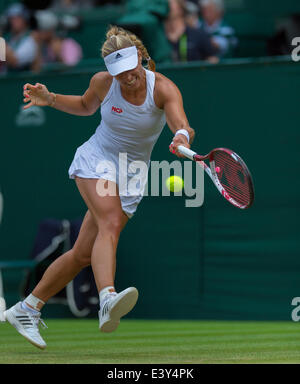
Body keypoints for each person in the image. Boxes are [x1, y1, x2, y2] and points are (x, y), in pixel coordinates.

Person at [2, 25, 195, 349]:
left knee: (80, 254)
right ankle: (107, 298)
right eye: (118, 72)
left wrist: (181, 137)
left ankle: (27, 308)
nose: (126, 77)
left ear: (140, 59)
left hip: (132, 174)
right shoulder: (104, 83)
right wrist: (50, 99)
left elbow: (180, 122)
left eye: (130, 69)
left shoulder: (162, 88)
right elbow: (84, 105)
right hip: (98, 159)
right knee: (111, 222)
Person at [3, 3, 38, 72]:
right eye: (12, 18)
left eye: (18, 18)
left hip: (23, 80)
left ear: (25, 19)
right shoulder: (9, 37)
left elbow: (14, 61)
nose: (14, 21)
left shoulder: (31, 38)